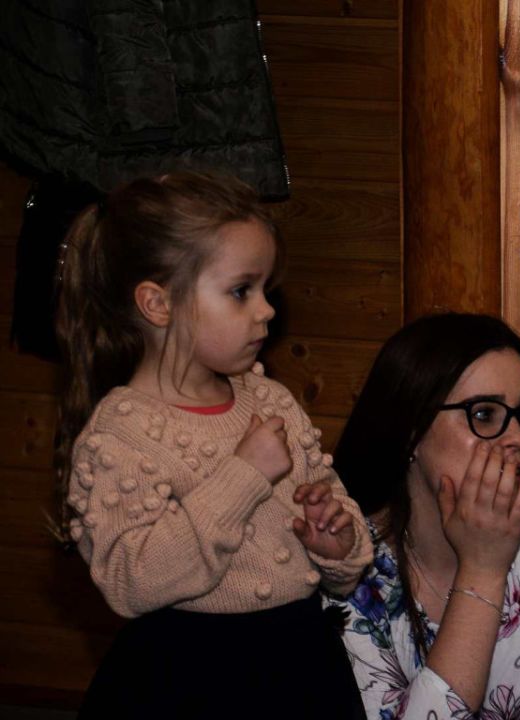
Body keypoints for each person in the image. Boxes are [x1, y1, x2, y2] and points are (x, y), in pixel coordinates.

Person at [54, 172, 373, 718]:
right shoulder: (120, 434)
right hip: (188, 678)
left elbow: (331, 501)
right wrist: (243, 476)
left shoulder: (270, 398)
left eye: (266, 290)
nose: (266, 310)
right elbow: (131, 580)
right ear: (158, 304)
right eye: (241, 291)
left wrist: (336, 544)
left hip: (300, 663)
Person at [327, 313, 520, 719]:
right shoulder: (346, 567)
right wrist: (482, 571)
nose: (519, 438)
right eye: (484, 414)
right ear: (411, 431)